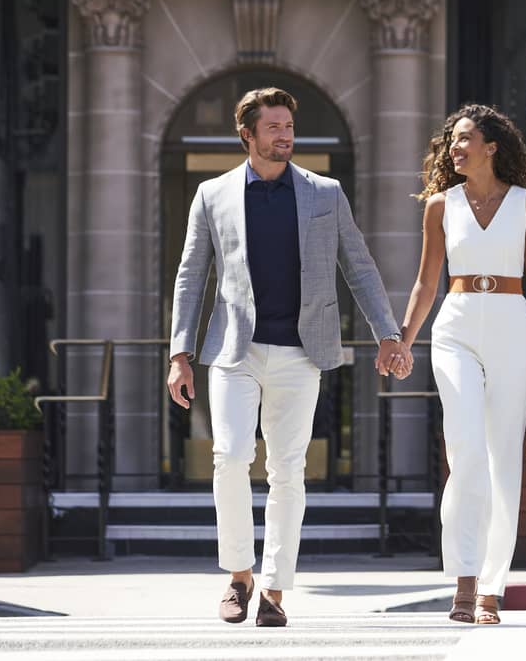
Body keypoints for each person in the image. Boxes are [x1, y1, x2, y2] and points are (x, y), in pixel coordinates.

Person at [167, 87, 412, 628]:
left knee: (287, 471)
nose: (285, 135)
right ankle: (238, 575)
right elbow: (190, 279)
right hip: (235, 349)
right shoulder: (213, 195)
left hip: (302, 352)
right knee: (229, 457)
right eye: (273, 127)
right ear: (248, 136)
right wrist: (180, 353)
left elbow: (361, 266)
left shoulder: (325, 193)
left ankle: (275, 590)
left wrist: (389, 334)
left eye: (288, 126)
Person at [397, 104, 526, 626]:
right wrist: (402, 340)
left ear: (491, 147)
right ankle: (465, 582)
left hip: (514, 326)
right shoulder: (439, 207)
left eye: (465, 137)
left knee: (501, 464)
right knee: (466, 451)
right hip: (456, 328)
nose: (454, 146)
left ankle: (493, 587)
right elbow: (427, 282)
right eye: (451, 138)